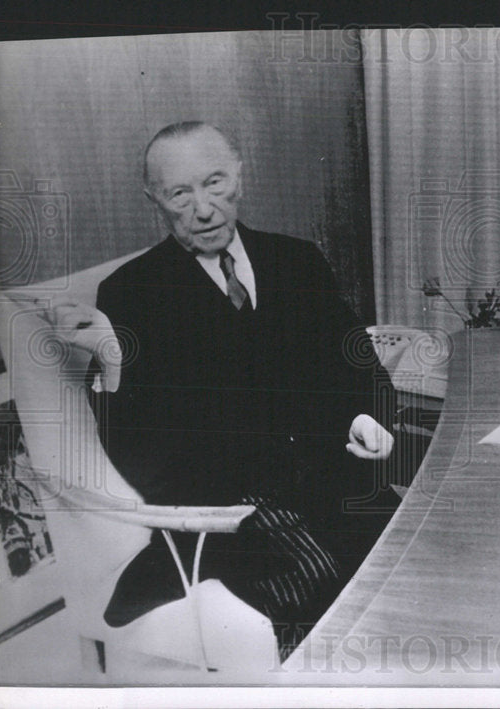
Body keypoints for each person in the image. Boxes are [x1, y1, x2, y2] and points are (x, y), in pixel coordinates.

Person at [92, 121, 399, 661]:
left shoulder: (298, 260)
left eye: (215, 183)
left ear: (240, 176)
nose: (204, 209)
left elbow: (360, 367)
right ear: (154, 201)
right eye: (180, 194)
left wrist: (369, 418)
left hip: (337, 486)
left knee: (411, 567)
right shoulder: (130, 295)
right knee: (320, 598)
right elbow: (135, 448)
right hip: (234, 518)